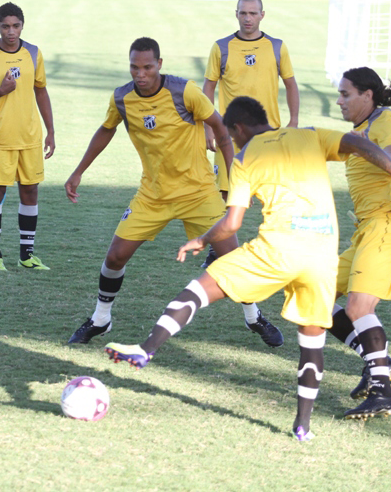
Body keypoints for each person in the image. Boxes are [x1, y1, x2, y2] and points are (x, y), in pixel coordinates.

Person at [104, 96, 391, 441]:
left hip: (276, 250)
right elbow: (357, 143)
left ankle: (146, 349)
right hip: (321, 255)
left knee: (200, 289)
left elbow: (231, 223)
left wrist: (201, 240)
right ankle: (303, 426)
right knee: (311, 342)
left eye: (231, 133)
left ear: (238, 128)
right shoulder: (309, 135)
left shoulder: (245, 156)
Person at [66, 38, 282, 348]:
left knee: (232, 260)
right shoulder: (122, 99)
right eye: (134, 67)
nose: (140, 74)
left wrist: (236, 176)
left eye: (147, 67)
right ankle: (101, 319)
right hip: (152, 195)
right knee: (115, 257)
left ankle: (254, 317)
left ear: (159, 64)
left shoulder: (185, 92)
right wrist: (78, 171)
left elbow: (220, 130)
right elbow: (107, 129)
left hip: (198, 193)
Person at [325, 67, 391, 419]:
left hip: (386, 226)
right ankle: (378, 358)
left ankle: (383, 392)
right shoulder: (357, 132)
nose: (340, 100)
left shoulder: (382, 119)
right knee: (312, 294)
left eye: (346, 94)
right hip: (365, 231)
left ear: (367, 95)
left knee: (359, 308)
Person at [200, 0, 300, 267]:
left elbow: (291, 84)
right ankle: (218, 250)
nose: (248, 18)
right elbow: (207, 87)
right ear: (236, 14)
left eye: (253, 13)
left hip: (268, 135)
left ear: (262, 15)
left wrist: (293, 121)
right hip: (229, 134)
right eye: (243, 13)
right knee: (226, 192)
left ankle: (280, 245)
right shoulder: (221, 47)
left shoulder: (277, 47)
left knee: (276, 190)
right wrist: (209, 127)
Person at [0, 2, 55, 271]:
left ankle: (26, 255)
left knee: (30, 191)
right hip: (0, 137)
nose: (11, 31)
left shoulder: (33, 53)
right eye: (5, 26)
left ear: (22, 26)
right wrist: (1, 91)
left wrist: (50, 130)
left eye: (15, 26)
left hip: (30, 136)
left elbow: (41, 90)